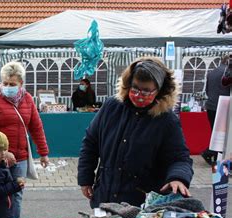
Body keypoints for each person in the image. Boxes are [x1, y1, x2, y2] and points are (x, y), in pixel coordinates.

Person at [78, 57, 194, 208]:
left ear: (159, 91)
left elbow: (179, 158)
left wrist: (178, 178)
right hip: (104, 198)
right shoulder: (111, 107)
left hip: (140, 206)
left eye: (146, 91)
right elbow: (90, 143)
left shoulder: (167, 120)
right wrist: (86, 178)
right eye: (135, 88)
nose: (139, 95)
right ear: (128, 84)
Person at [0, 61, 49, 218]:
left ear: (21, 83)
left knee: (17, 196)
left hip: (20, 160)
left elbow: (36, 127)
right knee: (1, 198)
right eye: (5, 83)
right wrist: (3, 153)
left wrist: (43, 153)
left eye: (12, 84)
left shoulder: (27, 99)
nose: (8, 86)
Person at [202, 54, 229, 166]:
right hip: (224, 106)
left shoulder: (212, 72)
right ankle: (212, 154)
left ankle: (213, 154)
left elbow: (207, 90)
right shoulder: (227, 73)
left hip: (211, 106)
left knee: (216, 133)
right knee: (224, 134)